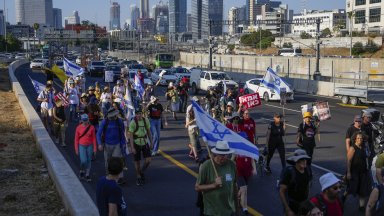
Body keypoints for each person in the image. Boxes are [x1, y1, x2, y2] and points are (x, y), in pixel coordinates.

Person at [195, 141, 237, 216]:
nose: (223, 157)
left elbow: (234, 186)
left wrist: (236, 208)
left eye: (225, 155)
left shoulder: (232, 165)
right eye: (221, 155)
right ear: (216, 153)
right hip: (212, 211)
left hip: (229, 211)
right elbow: (197, 187)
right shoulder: (206, 166)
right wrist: (214, 185)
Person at [97, 108, 126, 184]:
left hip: (117, 144)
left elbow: (122, 133)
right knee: (107, 161)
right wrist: (99, 143)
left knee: (118, 160)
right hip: (107, 145)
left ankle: (119, 177)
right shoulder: (104, 122)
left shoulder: (119, 121)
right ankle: (109, 175)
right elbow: (98, 133)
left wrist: (123, 143)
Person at [279, 149, 311, 215]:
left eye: (305, 159)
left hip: (304, 204)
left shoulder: (308, 170)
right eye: (302, 159)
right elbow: (282, 191)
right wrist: (287, 209)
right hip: (292, 205)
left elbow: (307, 186)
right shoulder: (289, 172)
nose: (304, 161)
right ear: (296, 161)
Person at [346, 132, 372, 211]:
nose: (360, 140)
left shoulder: (364, 148)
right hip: (354, 172)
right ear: (355, 139)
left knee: (362, 190)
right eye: (358, 138)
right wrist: (348, 172)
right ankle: (344, 196)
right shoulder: (352, 148)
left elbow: (368, 156)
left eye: (361, 138)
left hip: (363, 172)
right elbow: (349, 161)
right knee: (352, 188)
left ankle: (361, 206)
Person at [128, 107, 153, 186]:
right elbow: (131, 136)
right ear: (135, 114)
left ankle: (141, 171)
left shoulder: (146, 120)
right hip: (136, 142)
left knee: (148, 160)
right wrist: (132, 147)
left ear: (142, 114)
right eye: (137, 114)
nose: (139, 116)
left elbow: (149, 132)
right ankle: (138, 176)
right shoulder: (133, 123)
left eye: (140, 114)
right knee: (137, 161)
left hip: (144, 142)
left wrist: (151, 142)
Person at [74, 114, 97, 182]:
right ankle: (81, 170)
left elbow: (94, 138)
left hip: (89, 145)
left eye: (86, 120)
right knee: (83, 160)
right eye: (84, 120)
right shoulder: (78, 128)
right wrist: (76, 149)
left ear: (88, 120)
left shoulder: (92, 127)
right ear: (81, 120)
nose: (85, 122)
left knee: (89, 160)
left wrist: (95, 149)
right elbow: (76, 139)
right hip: (82, 145)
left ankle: (87, 174)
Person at [297, 112, 319, 180]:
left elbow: (314, 133)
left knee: (309, 159)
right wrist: (297, 140)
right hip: (305, 145)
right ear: (304, 118)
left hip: (311, 145)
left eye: (309, 117)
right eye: (306, 117)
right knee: (307, 158)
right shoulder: (302, 125)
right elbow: (299, 133)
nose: (308, 119)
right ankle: (309, 174)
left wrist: (317, 126)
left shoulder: (312, 124)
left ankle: (305, 171)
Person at [185, 96, 202, 161]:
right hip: (191, 128)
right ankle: (196, 156)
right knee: (194, 142)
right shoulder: (189, 108)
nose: (197, 102)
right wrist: (193, 120)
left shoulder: (199, 107)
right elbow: (187, 120)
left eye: (198, 101)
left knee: (195, 141)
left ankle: (191, 153)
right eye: (196, 101)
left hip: (197, 127)